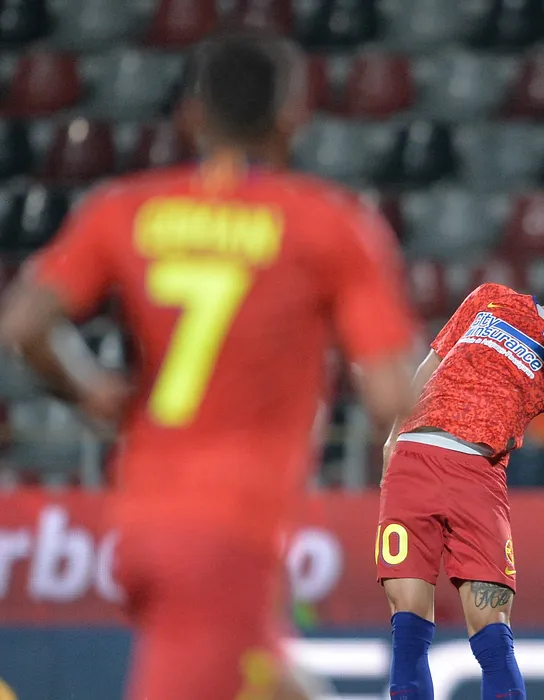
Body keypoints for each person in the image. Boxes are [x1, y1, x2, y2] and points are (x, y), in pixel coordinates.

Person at [0, 30, 418, 700]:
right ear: (293, 116)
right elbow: (392, 398)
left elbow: (23, 323)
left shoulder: (124, 211)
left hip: (139, 518)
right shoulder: (330, 227)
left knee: (270, 680)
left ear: (191, 115)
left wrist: (90, 391)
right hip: (231, 528)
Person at [376, 255, 544, 700]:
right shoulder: (491, 297)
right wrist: (393, 435)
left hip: (479, 476)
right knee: (407, 624)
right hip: (415, 458)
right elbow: (434, 362)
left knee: (492, 631)